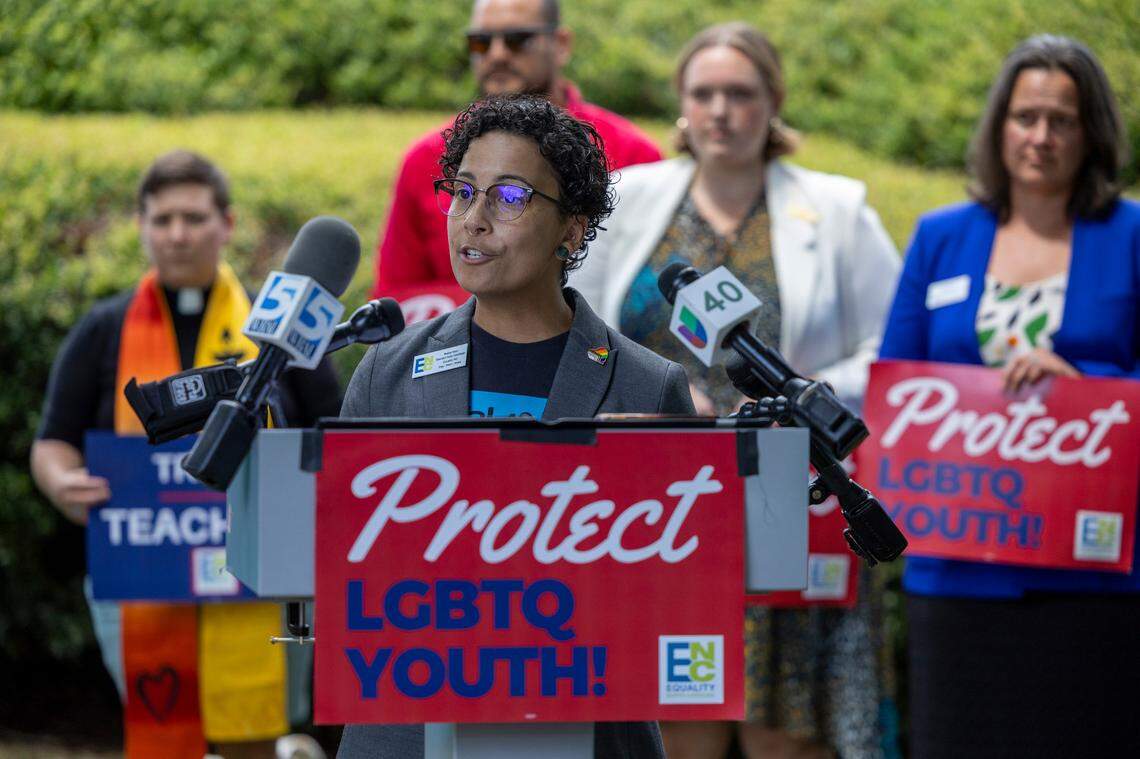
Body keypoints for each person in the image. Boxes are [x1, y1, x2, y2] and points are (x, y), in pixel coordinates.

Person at [572, 22, 901, 759]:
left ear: (773, 102)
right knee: (671, 714)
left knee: (785, 725)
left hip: (793, 495)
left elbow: (894, 349)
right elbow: (574, 327)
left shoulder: (840, 211)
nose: (721, 109)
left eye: (741, 93)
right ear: (682, 106)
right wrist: (657, 390)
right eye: (705, 93)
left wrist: (803, 394)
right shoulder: (623, 201)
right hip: (653, 507)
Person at [338, 94, 692, 758]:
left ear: (574, 230)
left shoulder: (648, 385)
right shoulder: (385, 373)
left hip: (583, 726)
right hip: (410, 729)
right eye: (462, 192)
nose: (473, 220)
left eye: (509, 197)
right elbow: (345, 572)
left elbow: (672, 607)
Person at [31, 150, 342, 758]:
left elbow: (333, 433)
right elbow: (53, 441)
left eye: (194, 218)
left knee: (253, 742)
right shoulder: (101, 330)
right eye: (163, 218)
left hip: (258, 579)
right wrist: (63, 482)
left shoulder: (281, 330)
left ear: (227, 224)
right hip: (140, 577)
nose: (178, 234)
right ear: (142, 226)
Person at [879, 35, 1140, 758]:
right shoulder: (941, 236)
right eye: (1026, 116)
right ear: (999, 126)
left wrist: (1088, 391)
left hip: (1089, 575)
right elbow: (897, 378)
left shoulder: (1133, 236)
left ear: (1092, 133)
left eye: (1064, 119)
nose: (1042, 136)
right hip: (957, 568)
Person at [369, 0, 662, 301]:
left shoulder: (633, 155)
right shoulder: (424, 159)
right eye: (481, 42)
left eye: (517, 39)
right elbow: (392, 296)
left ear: (561, 44)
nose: (497, 54)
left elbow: (648, 294)